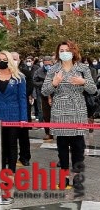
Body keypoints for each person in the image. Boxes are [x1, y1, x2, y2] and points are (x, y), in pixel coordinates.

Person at [41, 40, 97, 187]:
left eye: (67, 49)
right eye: (61, 50)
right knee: (62, 147)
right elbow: (44, 91)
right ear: (58, 53)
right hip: (60, 110)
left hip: (77, 109)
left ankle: (77, 176)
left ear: (73, 51)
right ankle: (64, 176)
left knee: (78, 146)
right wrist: (54, 83)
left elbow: (93, 90)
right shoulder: (54, 69)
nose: (64, 52)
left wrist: (83, 81)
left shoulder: (83, 68)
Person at [0, 51, 27, 182]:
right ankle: (2, 171)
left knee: (12, 144)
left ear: (9, 60)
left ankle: (11, 173)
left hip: (14, 114)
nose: (2, 61)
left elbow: (22, 99)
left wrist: (23, 118)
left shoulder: (19, 77)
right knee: (0, 146)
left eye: (4, 59)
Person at [13, 52, 34, 166]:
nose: (13, 61)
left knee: (23, 134)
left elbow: (30, 87)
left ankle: (25, 156)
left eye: (15, 59)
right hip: (10, 108)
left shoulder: (25, 73)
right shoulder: (3, 74)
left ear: (20, 60)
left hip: (23, 106)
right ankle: (10, 156)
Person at [34, 56, 54, 140]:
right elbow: (34, 81)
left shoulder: (57, 70)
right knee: (46, 115)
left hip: (56, 95)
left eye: (49, 64)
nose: (47, 66)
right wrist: (44, 83)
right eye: (46, 65)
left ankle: (60, 132)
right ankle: (48, 133)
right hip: (44, 96)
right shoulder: (38, 71)